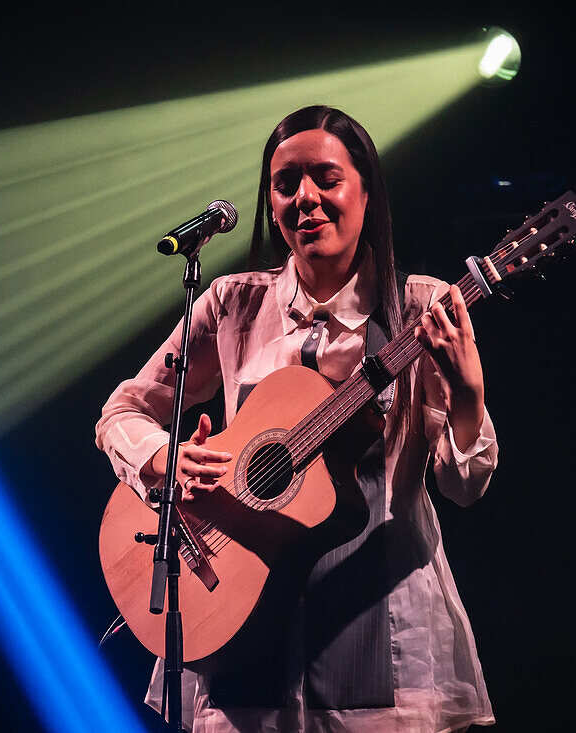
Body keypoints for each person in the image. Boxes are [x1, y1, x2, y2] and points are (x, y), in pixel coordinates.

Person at [96, 105, 498, 732]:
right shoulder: (232, 306)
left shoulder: (420, 309)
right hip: (239, 633)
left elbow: (463, 487)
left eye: (326, 178)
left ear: (366, 190)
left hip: (380, 641)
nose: (305, 198)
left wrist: (468, 397)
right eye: (286, 185)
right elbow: (124, 407)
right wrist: (163, 457)